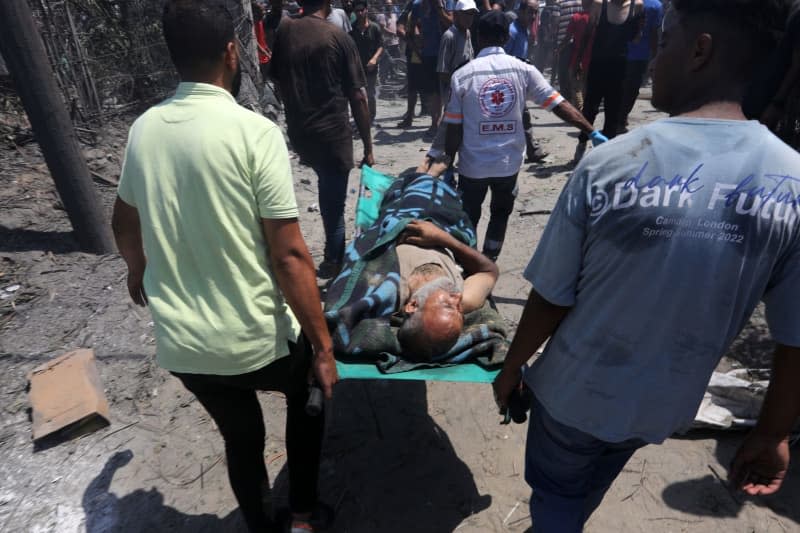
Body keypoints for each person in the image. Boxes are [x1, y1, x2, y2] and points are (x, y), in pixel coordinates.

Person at [492, 1, 800, 531]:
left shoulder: (613, 162)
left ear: (700, 50)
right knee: (592, 480)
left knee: (556, 498)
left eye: (663, 45)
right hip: (662, 409)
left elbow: (552, 298)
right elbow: (794, 337)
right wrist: (772, 433)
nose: (654, 62)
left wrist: (512, 367)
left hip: (573, 399)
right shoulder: (793, 181)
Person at [110, 2, 338, 532]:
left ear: (173, 59)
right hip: (256, 340)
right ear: (232, 53)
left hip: (186, 347)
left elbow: (123, 222)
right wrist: (323, 348)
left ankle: (260, 524)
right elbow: (288, 255)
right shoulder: (253, 132)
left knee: (241, 437)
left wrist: (136, 268)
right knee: (309, 396)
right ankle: (302, 517)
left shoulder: (143, 131)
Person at [444, 11, 606, 262]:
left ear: (479, 37)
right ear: (506, 38)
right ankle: (489, 260)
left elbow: (453, 127)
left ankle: (467, 264)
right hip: (507, 165)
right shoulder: (523, 69)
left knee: (468, 217)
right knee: (500, 214)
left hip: (472, 166)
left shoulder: (463, 75)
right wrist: (590, 130)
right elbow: (559, 105)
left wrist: (447, 162)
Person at [271, 0, 374, 278]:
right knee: (333, 206)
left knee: (320, 189)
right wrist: (367, 146)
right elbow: (358, 96)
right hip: (332, 136)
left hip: (301, 134)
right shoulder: (339, 38)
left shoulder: (286, 32)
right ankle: (333, 261)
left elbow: (278, 79)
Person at [574, 0, 642, 161]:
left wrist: (638, 26)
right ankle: (582, 143)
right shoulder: (600, 4)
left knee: (613, 111)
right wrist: (578, 61)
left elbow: (636, 38)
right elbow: (587, 34)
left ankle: (606, 153)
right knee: (590, 108)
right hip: (598, 64)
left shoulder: (637, 6)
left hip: (620, 66)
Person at [506, 0, 550, 162]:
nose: (533, 16)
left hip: (519, 83)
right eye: (530, 12)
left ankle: (531, 150)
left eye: (535, 12)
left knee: (522, 117)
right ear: (521, 11)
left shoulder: (523, 31)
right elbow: (503, 57)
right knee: (519, 117)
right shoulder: (512, 31)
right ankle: (530, 150)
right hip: (509, 83)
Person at [410, 0, 454, 136]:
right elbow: (412, 26)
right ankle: (435, 122)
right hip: (429, 52)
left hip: (447, 51)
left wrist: (439, 7)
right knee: (433, 90)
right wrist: (417, 39)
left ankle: (443, 122)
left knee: (447, 89)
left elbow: (451, 23)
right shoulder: (418, 4)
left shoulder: (448, 2)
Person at [619, 0, 663, 130]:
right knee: (632, 88)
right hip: (640, 55)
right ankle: (621, 117)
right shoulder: (655, 6)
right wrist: (655, 55)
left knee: (620, 86)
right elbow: (654, 33)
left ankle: (620, 117)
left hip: (620, 51)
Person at [350, 0, 384, 123]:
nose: (359, 13)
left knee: (371, 94)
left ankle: (371, 117)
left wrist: (374, 59)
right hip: (357, 68)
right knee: (358, 94)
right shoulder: (352, 29)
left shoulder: (374, 27)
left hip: (371, 67)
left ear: (366, 10)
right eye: (357, 10)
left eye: (361, 10)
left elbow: (381, 45)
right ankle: (361, 117)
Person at [560, 0, 593, 109]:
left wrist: (559, 48)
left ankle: (579, 109)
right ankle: (586, 109)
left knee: (575, 85)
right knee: (587, 85)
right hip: (592, 58)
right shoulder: (598, 19)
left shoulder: (576, 17)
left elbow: (568, 37)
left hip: (577, 58)